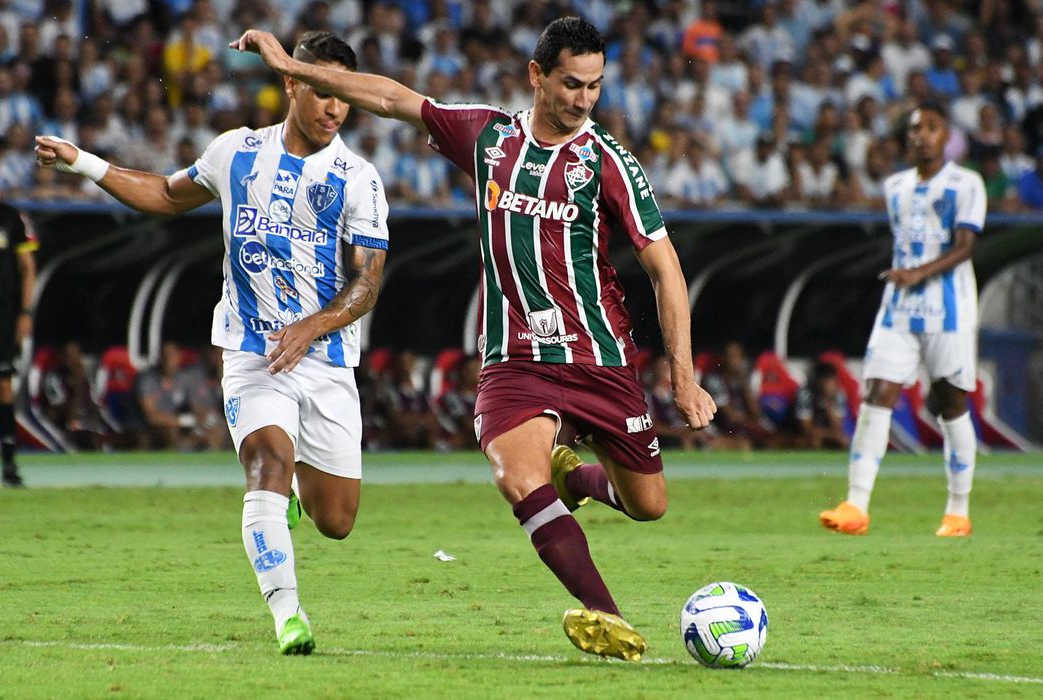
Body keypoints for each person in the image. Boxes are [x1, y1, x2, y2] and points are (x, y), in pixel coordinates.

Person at [231, 17, 715, 661]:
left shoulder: (609, 162)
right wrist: (293, 69)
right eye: (571, 84)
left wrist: (682, 374)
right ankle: (610, 615)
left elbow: (665, 267)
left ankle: (575, 475)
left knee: (648, 504)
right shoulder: (489, 138)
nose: (582, 100)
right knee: (517, 478)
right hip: (514, 360)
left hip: (600, 358)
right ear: (536, 76)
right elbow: (390, 97)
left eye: (595, 88)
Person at [35, 31, 390, 656]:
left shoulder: (358, 178)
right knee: (267, 467)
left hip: (327, 357)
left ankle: (293, 504)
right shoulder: (235, 153)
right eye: (321, 91)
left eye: (342, 97)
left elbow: (366, 283)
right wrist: (81, 162)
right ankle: (289, 617)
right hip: (251, 349)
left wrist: (314, 325)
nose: (334, 108)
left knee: (336, 520)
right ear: (290, 84)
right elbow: (169, 196)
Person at [819, 101, 986, 538]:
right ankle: (856, 505)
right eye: (915, 128)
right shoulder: (895, 186)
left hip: (948, 311)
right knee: (876, 395)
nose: (922, 135)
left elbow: (965, 246)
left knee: (951, 403)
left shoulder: (967, 183)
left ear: (945, 135)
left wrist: (917, 273)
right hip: (898, 309)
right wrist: (905, 277)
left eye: (931, 127)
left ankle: (958, 510)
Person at [0, 148, 37, 487]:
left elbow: (27, 269)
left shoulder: (9, 216)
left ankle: (8, 464)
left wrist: (25, 312)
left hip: (0, 313)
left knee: (3, 385)